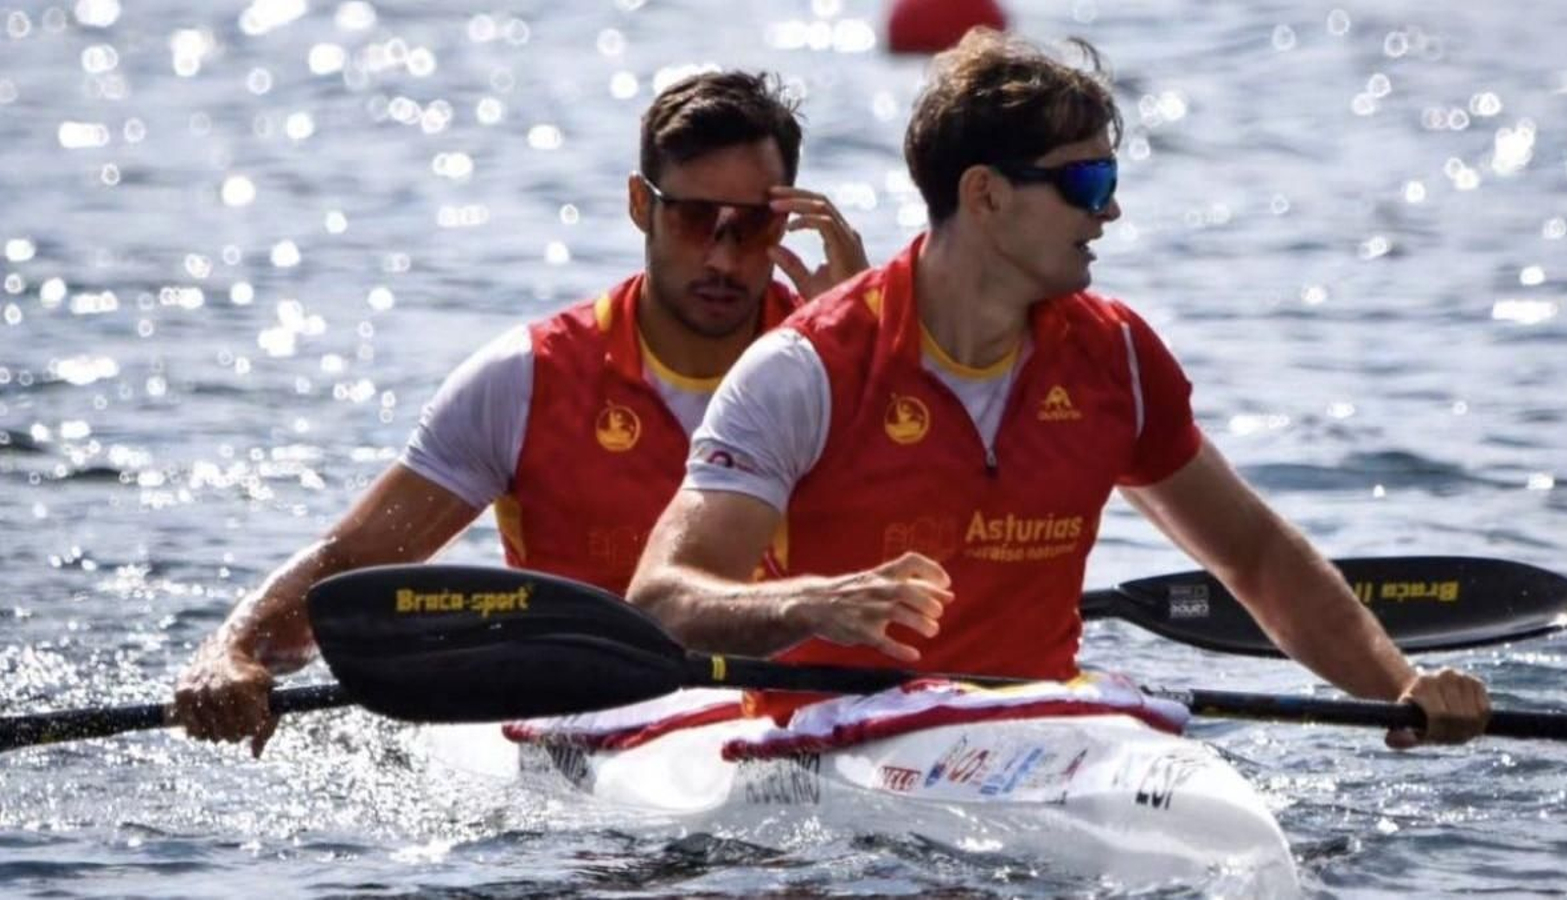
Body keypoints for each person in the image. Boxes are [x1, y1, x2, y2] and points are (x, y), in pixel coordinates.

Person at [625, 31, 1491, 747]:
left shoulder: (1114, 356)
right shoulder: (805, 370)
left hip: (1037, 736)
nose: (1107, 212)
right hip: (833, 746)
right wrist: (816, 603)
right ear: (987, 196)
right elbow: (663, 599)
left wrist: (1403, 687)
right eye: (1086, 182)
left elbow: (1255, 559)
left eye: (1109, 182)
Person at [174, 71, 870, 756]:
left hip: (801, 724)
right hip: (597, 734)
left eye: (751, 228)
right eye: (693, 219)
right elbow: (353, 561)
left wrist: (855, 357)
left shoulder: (850, 365)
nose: (721, 256)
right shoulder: (524, 380)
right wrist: (233, 651)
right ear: (640, 205)